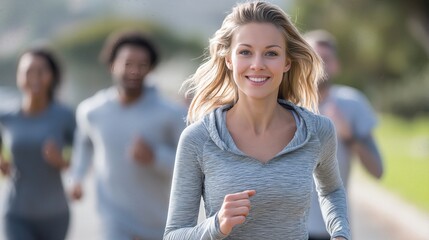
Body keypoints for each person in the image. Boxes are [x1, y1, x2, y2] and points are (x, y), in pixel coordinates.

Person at [163, 2, 350, 240]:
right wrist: (216, 226)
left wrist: (340, 234)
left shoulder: (317, 131)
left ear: (286, 62)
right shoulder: (198, 139)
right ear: (229, 59)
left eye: (271, 53)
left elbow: (332, 190)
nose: (258, 64)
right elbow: (173, 235)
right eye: (245, 52)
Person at [69, 30, 186, 240]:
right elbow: (85, 144)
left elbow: (188, 165)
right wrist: (77, 178)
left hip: (157, 223)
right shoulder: (92, 111)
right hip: (113, 222)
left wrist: (154, 157)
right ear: (112, 64)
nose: (134, 71)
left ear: (151, 68)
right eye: (128, 63)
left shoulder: (171, 114)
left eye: (142, 65)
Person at [304, 30, 383, 240]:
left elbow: (377, 170)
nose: (319, 65)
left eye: (325, 59)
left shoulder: (352, 104)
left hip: (335, 232)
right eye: (312, 58)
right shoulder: (281, 106)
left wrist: (349, 136)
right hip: (287, 231)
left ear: (336, 65)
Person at [0, 48, 75, 240]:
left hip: (55, 215)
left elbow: (83, 159)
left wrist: (61, 161)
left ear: (52, 76)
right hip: (16, 213)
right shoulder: (6, 118)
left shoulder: (65, 116)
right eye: (28, 72)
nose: (34, 77)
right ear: (18, 76)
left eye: (41, 71)